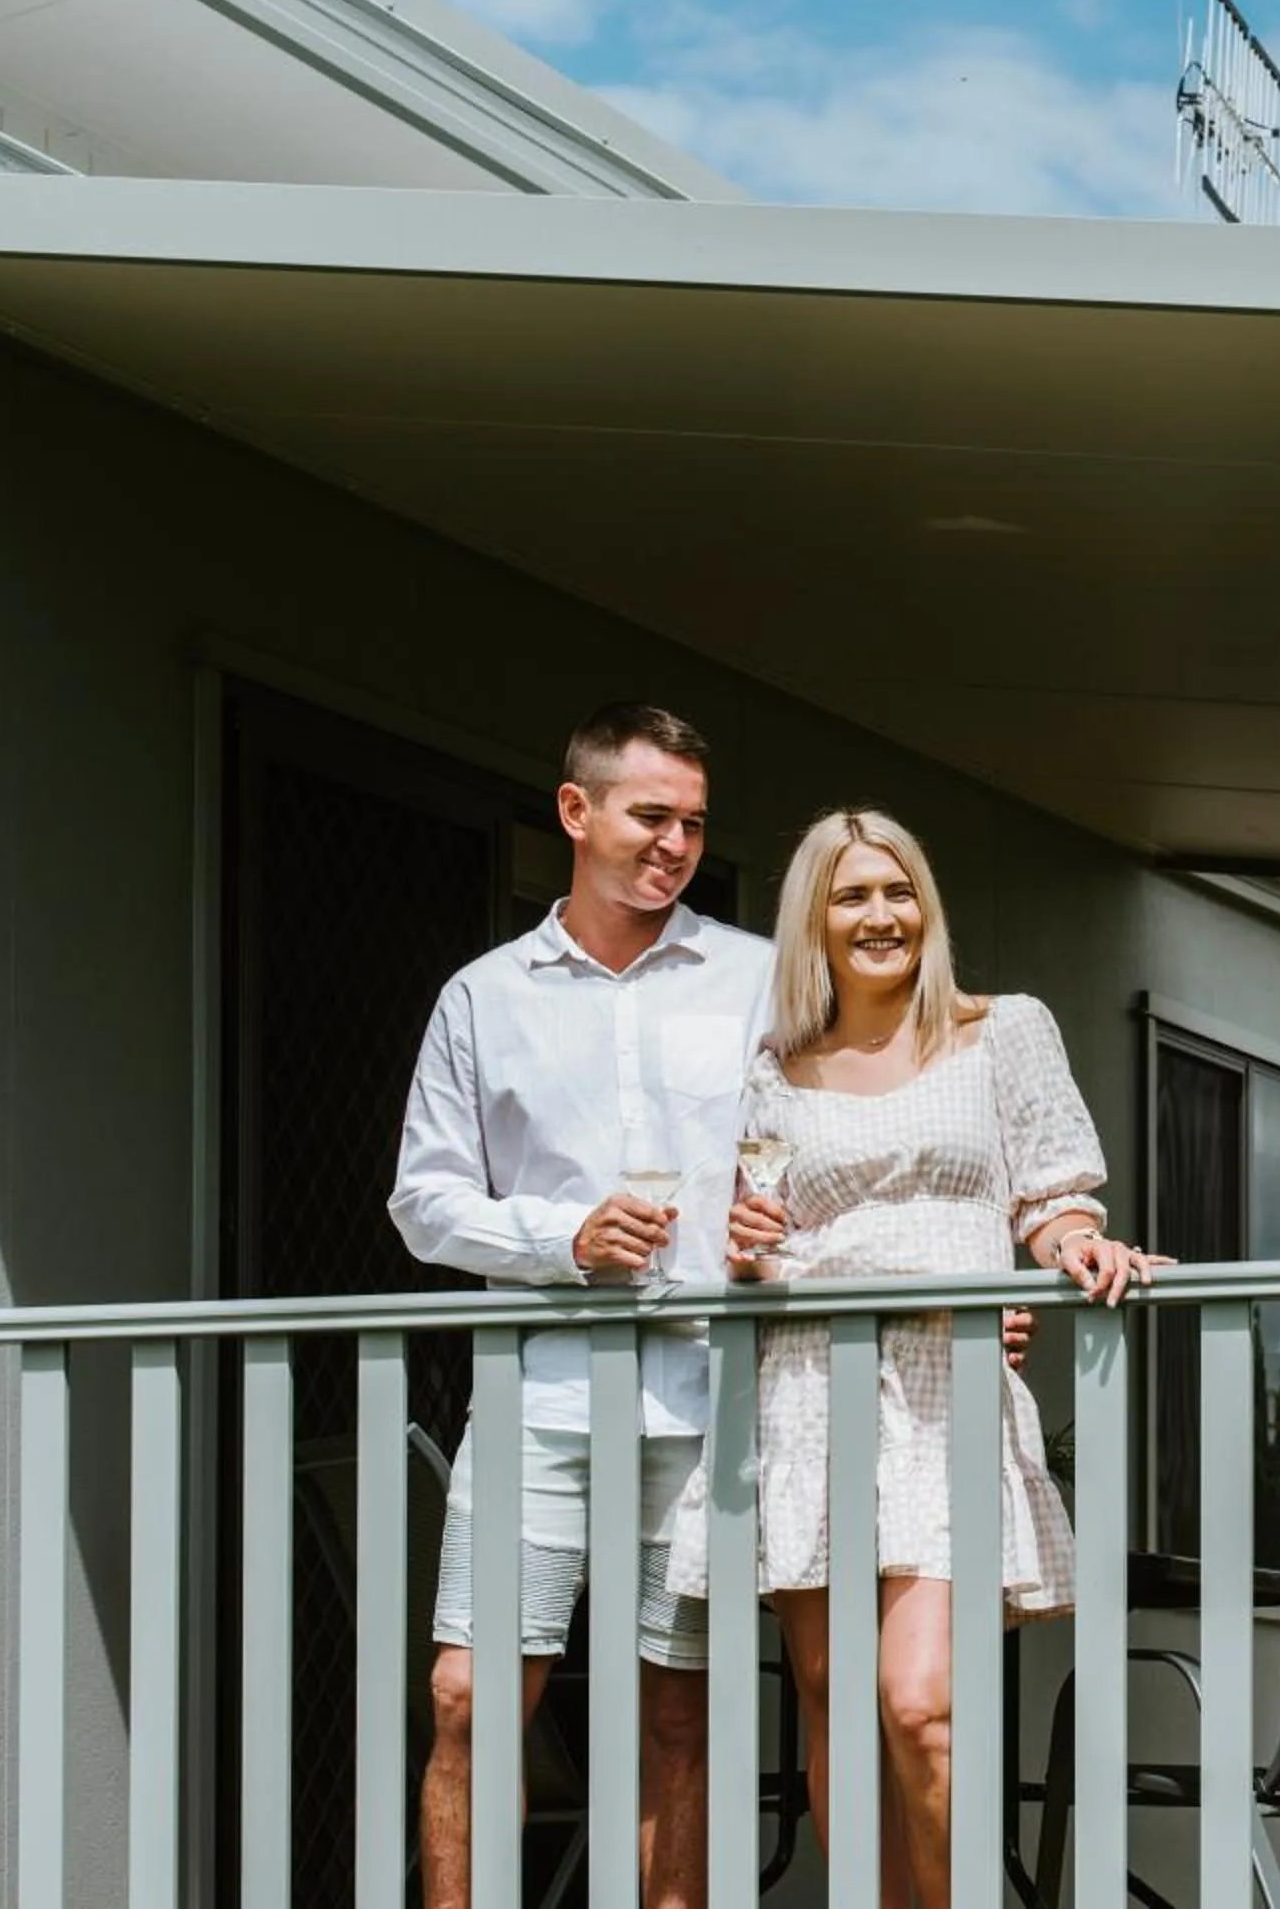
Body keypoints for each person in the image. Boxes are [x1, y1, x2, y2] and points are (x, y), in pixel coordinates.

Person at [388, 711, 1038, 1908]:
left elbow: (869, 1144)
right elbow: (422, 1201)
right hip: (535, 1392)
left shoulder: (765, 983)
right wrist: (563, 1237)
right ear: (576, 811)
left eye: (693, 822)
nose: (676, 844)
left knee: (679, 1715)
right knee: (466, 1697)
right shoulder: (482, 998)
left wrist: (963, 1289)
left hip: (714, 1404)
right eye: (651, 816)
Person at [673, 808, 1164, 1909]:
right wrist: (744, 1247)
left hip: (946, 1388)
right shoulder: (775, 1068)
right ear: (816, 918)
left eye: (899, 891)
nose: (881, 915)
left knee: (918, 1700)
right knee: (833, 1696)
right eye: (852, 895)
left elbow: (1051, 1195)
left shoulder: (1004, 1031)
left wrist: (1075, 1247)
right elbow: (760, 1240)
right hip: (809, 1384)